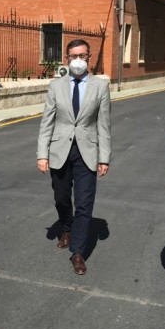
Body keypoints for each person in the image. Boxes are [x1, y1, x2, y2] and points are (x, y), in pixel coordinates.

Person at [37, 39, 111, 276]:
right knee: (61, 197)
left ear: (89, 57)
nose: (78, 60)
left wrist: (104, 157)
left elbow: (104, 124)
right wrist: (42, 153)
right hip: (60, 150)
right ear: (66, 59)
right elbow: (46, 121)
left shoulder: (100, 86)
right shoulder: (55, 86)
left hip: (87, 152)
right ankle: (66, 228)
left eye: (82, 55)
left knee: (85, 203)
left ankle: (78, 252)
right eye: (73, 56)